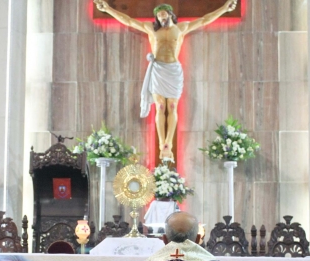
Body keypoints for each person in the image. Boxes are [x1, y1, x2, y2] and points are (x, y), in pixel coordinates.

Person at [94, 0, 238, 161]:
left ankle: (169, 142)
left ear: (170, 14)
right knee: (161, 106)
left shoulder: (181, 28)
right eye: (159, 15)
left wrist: (225, 9)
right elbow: (128, 20)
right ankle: (162, 144)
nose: (161, 18)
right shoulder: (151, 28)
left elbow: (204, 19)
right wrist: (107, 9)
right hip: (158, 70)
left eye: (163, 14)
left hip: (173, 70)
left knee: (172, 106)